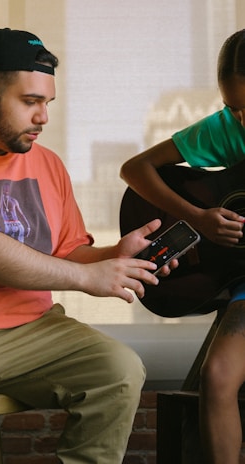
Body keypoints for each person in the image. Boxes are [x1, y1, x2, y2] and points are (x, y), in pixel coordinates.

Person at [0, 28, 178, 464]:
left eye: (48, 103)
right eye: (30, 102)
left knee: (119, 371)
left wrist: (114, 257)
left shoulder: (48, 164)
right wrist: (87, 277)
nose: (44, 117)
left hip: (31, 331)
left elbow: (67, 252)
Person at [120, 29, 245, 464]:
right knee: (217, 375)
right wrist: (198, 218)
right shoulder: (229, 128)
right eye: (234, 107)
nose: (242, 119)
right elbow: (136, 170)